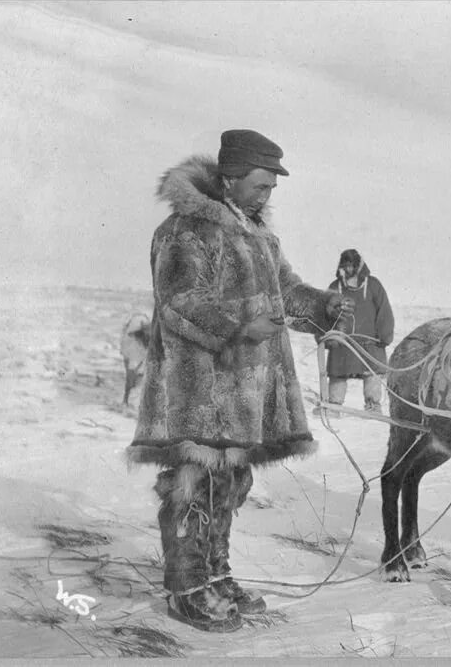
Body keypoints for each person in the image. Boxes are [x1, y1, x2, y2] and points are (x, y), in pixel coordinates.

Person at [128, 129, 354, 632]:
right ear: (229, 178)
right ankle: (186, 590)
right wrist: (237, 326)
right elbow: (179, 304)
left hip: (245, 392)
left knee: (231, 480)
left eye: (272, 188)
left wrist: (320, 304)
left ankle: (216, 576)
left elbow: (285, 289)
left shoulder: (255, 232)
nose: (267, 195)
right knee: (194, 483)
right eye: (261, 185)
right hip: (198, 388)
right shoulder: (187, 230)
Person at [319, 249, 394, 414]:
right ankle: (334, 405)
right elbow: (323, 313)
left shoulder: (373, 285)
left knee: (372, 373)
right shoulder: (335, 287)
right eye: (345, 265)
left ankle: (373, 405)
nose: (348, 269)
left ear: (358, 266)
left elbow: (384, 312)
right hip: (343, 344)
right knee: (337, 375)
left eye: (351, 265)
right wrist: (326, 337)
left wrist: (384, 336)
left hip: (370, 344)